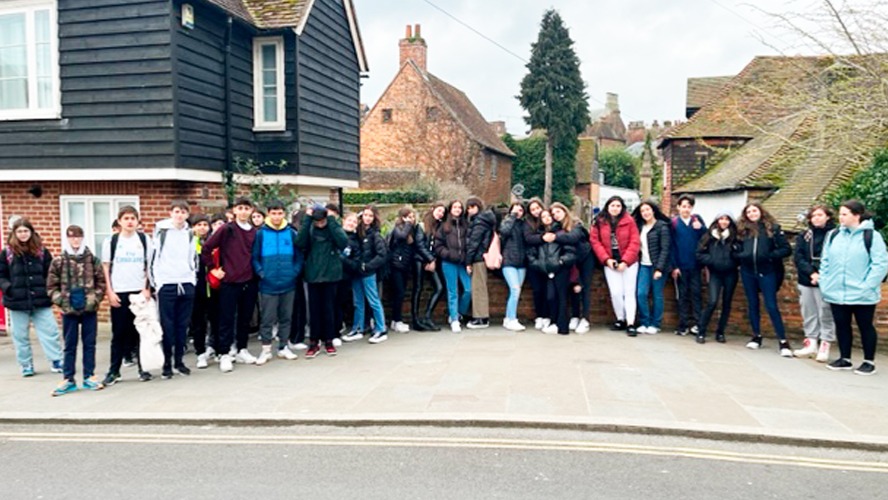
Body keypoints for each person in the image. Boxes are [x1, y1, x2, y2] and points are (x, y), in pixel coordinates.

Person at [820, 200, 888, 375]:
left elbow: (880, 264)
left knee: (865, 326)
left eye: (845, 214)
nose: (840, 218)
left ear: (856, 215)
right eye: (840, 214)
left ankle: (868, 361)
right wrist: (825, 283)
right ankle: (845, 358)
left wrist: (867, 286)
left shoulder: (872, 236)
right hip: (836, 290)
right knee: (841, 325)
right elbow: (825, 260)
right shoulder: (833, 235)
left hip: (862, 293)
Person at [201, 197, 259, 372]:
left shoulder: (255, 231)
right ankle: (224, 353)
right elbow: (207, 248)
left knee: (245, 318)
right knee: (226, 318)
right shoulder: (227, 229)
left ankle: (242, 349)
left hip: (249, 280)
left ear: (251, 211)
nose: (243, 211)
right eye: (239, 208)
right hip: (229, 282)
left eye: (246, 208)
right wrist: (213, 269)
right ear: (234, 211)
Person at [47, 225, 106, 395]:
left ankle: (89, 376)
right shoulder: (58, 261)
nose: (75, 240)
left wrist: (94, 299)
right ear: (67, 238)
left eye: (78, 237)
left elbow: (101, 283)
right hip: (69, 310)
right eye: (72, 237)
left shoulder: (92, 260)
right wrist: (63, 302)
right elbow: (51, 287)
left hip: (89, 309)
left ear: (82, 238)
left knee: (90, 344)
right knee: (69, 345)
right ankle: (68, 379)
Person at [0, 218, 63, 378]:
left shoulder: (41, 251)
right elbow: (2, 275)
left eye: (26, 231)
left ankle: (56, 360)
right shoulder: (7, 253)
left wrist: (49, 291)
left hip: (41, 300)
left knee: (50, 331)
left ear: (31, 232)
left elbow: (51, 274)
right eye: (20, 231)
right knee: (20, 335)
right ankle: (26, 364)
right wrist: (9, 289)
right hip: (17, 301)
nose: (23, 234)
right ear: (14, 233)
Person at [100, 206, 154, 386]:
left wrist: (147, 288)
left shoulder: (145, 240)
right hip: (119, 292)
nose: (130, 221)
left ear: (138, 221)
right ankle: (114, 371)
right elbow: (106, 268)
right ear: (120, 221)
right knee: (119, 333)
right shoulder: (112, 241)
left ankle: (143, 368)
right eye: (126, 218)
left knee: (141, 332)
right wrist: (110, 291)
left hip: (138, 292)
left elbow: (148, 266)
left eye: (133, 218)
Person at [735, 202, 793, 356]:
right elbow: (735, 249)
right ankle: (756, 336)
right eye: (749, 212)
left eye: (755, 210)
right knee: (753, 304)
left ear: (761, 211)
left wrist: (770, 256)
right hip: (748, 272)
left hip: (767, 272)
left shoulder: (772, 228)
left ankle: (783, 341)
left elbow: (786, 249)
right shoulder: (742, 231)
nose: (752, 214)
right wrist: (742, 256)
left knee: (771, 305)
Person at [251, 200, 304, 365]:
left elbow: (299, 256)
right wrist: (261, 272)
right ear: (268, 214)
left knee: (286, 317)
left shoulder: (291, 233)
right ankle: (266, 349)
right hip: (268, 284)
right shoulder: (261, 233)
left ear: (284, 214)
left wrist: (294, 272)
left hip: (288, 283)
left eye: (280, 213)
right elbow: (254, 257)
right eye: (273, 213)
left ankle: (283, 346)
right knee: (267, 318)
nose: (276, 216)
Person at [151, 200, 198, 379]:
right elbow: (154, 259)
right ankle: (167, 363)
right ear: (171, 213)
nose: (180, 215)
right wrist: (159, 283)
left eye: (183, 212)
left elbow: (193, 258)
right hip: (167, 284)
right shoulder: (161, 232)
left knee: (182, 326)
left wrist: (191, 280)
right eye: (177, 211)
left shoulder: (190, 234)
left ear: (187, 214)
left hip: (186, 283)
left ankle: (179, 361)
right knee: (167, 326)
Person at [296, 204, 349, 356]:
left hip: (331, 274)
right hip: (313, 274)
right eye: (316, 221)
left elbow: (343, 241)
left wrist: (331, 221)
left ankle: (329, 340)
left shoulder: (332, 228)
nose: (320, 224)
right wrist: (306, 220)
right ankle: (314, 341)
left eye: (322, 220)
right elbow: (299, 242)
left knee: (329, 309)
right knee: (314, 310)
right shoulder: (310, 228)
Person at [590, 196, 641, 335]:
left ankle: (630, 323)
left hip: (629, 263)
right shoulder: (599, 222)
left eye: (618, 206)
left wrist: (625, 261)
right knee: (616, 293)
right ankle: (620, 319)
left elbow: (635, 242)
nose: (615, 208)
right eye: (612, 205)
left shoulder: (630, 221)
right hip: (610, 262)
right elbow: (595, 242)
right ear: (607, 206)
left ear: (622, 207)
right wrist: (606, 259)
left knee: (629, 293)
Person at [792, 205, 836, 362]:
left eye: (820, 215)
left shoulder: (835, 235)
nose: (816, 218)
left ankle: (825, 343)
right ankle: (811, 343)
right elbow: (798, 257)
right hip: (807, 279)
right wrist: (811, 273)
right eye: (813, 216)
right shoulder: (805, 235)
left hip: (827, 280)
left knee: (825, 312)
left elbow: (837, 258)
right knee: (808, 311)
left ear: (828, 217)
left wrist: (821, 275)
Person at [695, 213, 740, 344]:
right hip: (715, 273)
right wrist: (711, 261)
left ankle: (720, 332)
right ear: (717, 220)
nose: (724, 222)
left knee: (726, 303)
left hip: (731, 273)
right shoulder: (709, 236)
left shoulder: (735, 237)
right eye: (721, 219)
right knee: (712, 302)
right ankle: (701, 331)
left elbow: (740, 253)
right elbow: (699, 253)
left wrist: (735, 257)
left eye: (726, 219)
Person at [550, 202, 593, 333]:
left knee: (584, 287)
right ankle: (574, 316)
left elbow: (573, 238)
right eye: (553, 214)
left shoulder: (576, 224)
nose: (555, 215)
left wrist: (555, 237)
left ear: (564, 211)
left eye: (558, 211)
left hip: (585, 257)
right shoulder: (557, 227)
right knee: (572, 287)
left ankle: (585, 319)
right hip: (572, 259)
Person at [533, 210, 577, 335]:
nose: (546, 218)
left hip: (561, 269)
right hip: (548, 271)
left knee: (561, 297)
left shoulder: (561, 233)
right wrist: (542, 266)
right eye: (543, 216)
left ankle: (561, 326)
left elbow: (571, 252)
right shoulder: (540, 234)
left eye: (549, 216)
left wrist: (561, 262)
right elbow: (533, 254)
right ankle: (554, 322)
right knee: (551, 297)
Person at [632, 201, 671, 335]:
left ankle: (655, 324)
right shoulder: (640, 226)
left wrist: (659, 268)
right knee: (641, 294)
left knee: (657, 295)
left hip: (657, 266)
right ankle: (644, 322)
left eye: (648, 210)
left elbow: (665, 249)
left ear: (653, 210)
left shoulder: (662, 226)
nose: (646, 213)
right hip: (644, 265)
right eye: (643, 211)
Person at [670, 194, 707, 336]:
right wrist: (674, 266)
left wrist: (701, 228)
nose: (686, 209)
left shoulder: (697, 222)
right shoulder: (673, 223)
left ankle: (698, 324)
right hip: (680, 267)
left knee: (696, 295)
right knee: (682, 296)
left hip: (696, 266)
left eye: (689, 206)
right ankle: (683, 325)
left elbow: (707, 238)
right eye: (683, 206)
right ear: (678, 207)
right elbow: (671, 246)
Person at [435, 200, 472, 333]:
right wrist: (448, 254)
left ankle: (459, 313)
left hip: (462, 263)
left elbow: (469, 244)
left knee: (469, 289)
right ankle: (454, 319)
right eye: (455, 207)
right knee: (452, 292)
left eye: (459, 207)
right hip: (449, 262)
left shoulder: (466, 225)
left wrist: (468, 261)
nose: (457, 209)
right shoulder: (444, 226)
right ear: (450, 209)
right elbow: (438, 245)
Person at [464, 197, 496, 329]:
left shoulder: (479, 222)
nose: (469, 210)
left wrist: (468, 262)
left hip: (478, 258)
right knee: (479, 287)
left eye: (472, 207)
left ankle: (481, 318)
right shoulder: (484, 220)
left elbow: (474, 243)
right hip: (482, 257)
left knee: (478, 288)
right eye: (468, 208)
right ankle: (481, 317)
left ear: (477, 207)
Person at [415, 203, 446, 331]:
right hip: (419, 260)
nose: (441, 213)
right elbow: (420, 245)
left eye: (443, 212)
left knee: (439, 288)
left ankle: (427, 316)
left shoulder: (439, 227)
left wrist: (432, 260)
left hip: (430, 261)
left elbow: (436, 246)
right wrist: (430, 259)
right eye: (439, 210)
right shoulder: (422, 226)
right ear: (433, 209)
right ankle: (416, 320)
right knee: (418, 289)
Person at [499, 202, 528, 331]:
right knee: (515, 289)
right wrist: (512, 216)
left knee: (516, 291)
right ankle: (512, 319)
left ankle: (507, 318)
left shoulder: (525, 225)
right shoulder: (506, 222)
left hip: (521, 263)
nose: (518, 212)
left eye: (521, 210)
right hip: (509, 261)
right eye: (516, 209)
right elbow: (504, 232)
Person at [388, 207, 417, 333]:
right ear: (403, 217)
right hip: (396, 265)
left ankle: (396, 320)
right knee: (398, 293)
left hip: (404, 265)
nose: (412, 219)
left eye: (413, 217)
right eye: (409, 217)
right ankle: (397, 320)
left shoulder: (411, 230)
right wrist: (407, 224)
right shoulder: (399, 229)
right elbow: (401, 237)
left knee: (401, 293)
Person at [523, 198, 549, 330]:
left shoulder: (547, 219)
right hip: (533, 261)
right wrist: (542, 238)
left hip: (548, 260)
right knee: (537, 290)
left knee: (548, 291)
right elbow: (528, 238)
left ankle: (546, 316)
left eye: (537, 208)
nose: (536, 211)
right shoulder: (527, 223)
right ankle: (539, 316)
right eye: (532, 209)